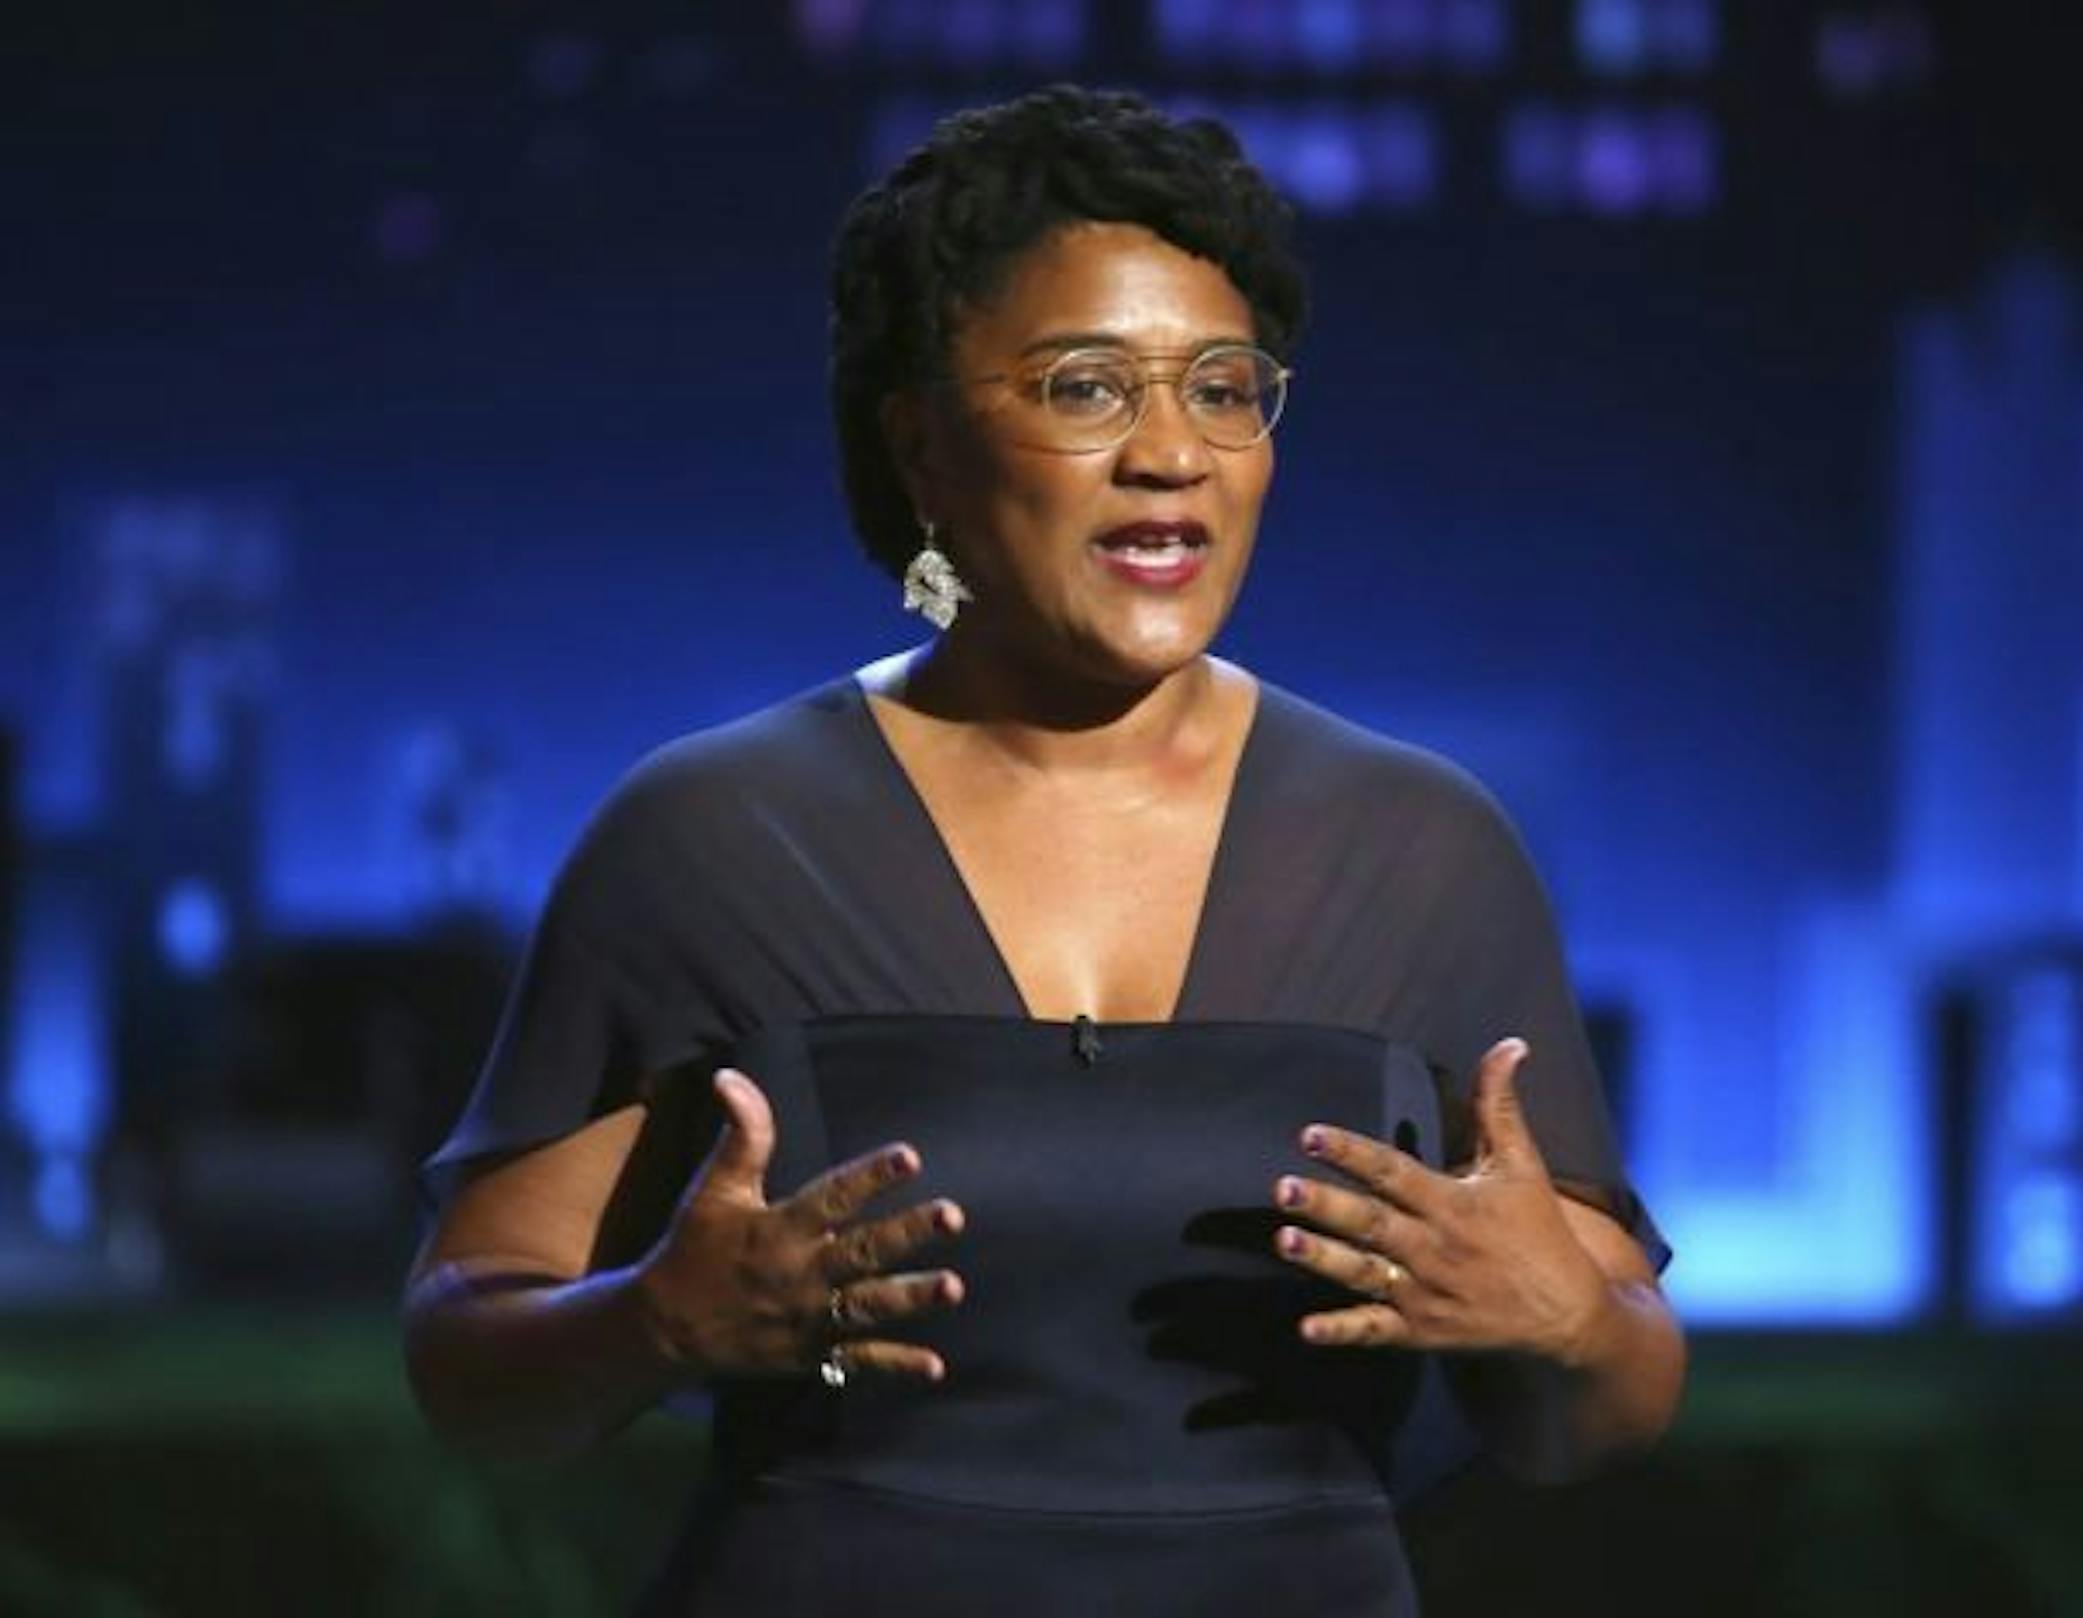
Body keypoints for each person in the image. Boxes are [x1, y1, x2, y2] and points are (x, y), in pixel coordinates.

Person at [402, 84, 1683, 1616]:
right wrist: (653, 1323)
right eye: (1087, 388)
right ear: (921, 444)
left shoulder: (1422, 848)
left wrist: (1570, 1328)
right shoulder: (709, 834)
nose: (1173, 452)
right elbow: (472, 1362)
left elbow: (1597, 1407)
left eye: (1224, 388)